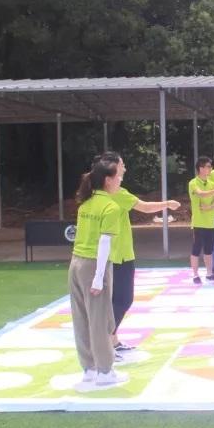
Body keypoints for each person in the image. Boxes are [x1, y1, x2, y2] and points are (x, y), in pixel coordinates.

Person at [96, 152, 180, 354]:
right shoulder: (117, 193)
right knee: (123, 299)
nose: (124, 168)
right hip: (119, 255)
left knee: (114, 300)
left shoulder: (97, 194)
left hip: (111, 255)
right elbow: (144, 207)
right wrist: (167, 204)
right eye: (122, 164)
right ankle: (105, 342)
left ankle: (112, 340)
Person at [68, 156, 128, 390]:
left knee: (81, 318)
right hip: (94, 265)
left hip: (76, 263)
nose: (121, 179)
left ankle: (89, 368)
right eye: (118, 176)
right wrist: (98, 277)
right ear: (108, 180)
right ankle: (105, 371)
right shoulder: (110, 207)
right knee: (100, 319)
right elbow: (104, 243)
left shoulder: (86, 203)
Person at [188, 156, 214, 285]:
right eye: (208, 166)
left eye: (210, 166)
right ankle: (195, 275)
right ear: (200, 168)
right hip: (198, 222)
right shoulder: (193, 183)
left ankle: (209, 273)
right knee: (196, 249)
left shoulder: (211, 183)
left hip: (210, 222)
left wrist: (209, 207)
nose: (210, 169)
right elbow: (200, 193)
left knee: (209, 250)